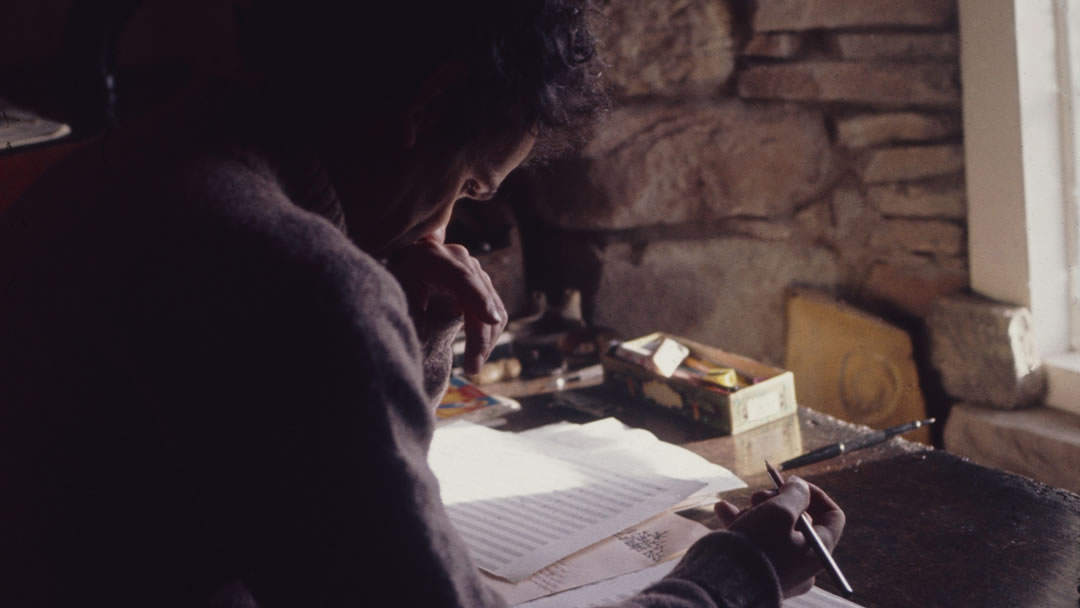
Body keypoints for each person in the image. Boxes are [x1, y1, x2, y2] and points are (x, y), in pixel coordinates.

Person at [0, 0, 845, 606]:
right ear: (430, 104)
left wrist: (404, 323)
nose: (448, 226)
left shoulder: (100, 176)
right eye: (468, 184)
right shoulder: (299, 283)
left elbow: (315, 481)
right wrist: (734, 575)